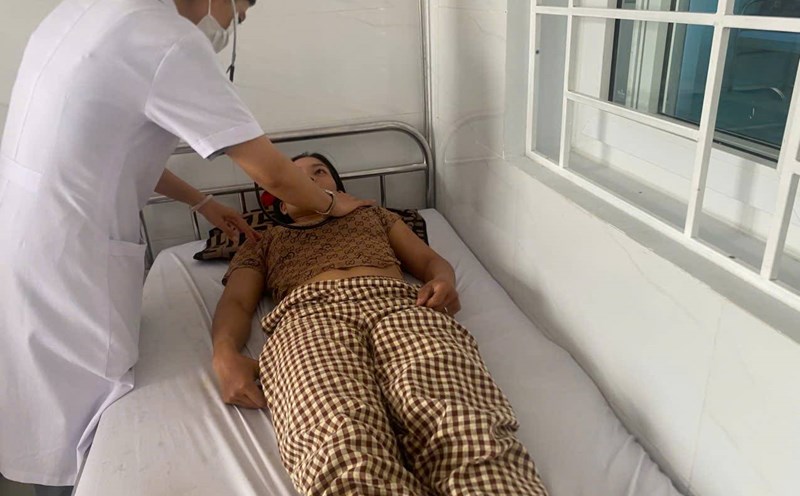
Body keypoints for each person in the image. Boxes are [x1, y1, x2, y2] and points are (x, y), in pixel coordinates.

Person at [0, 0, 371, 493]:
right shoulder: (166, 40)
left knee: (48, 404)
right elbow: (273, 174)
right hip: (66, 260)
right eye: (244, 7)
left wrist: (202, 202)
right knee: (73, 425)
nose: (239, 20)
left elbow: (116, 149)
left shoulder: (91, 11)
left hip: (34, 238)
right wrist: (335, 205)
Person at [212, 154, 549, 496]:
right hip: (307, 318)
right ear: (281, 204)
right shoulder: (264, 240)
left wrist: (443, 281)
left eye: (320, 172)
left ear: (338, 188)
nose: (310, 179)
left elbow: (429, 261)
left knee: (459, 419)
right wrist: (224, 355)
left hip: (400, 305)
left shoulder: (373, 215)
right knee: (337, 437)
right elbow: (237, 302)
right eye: (294, 175)